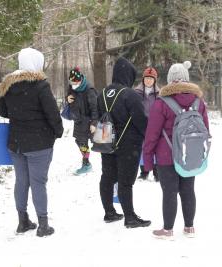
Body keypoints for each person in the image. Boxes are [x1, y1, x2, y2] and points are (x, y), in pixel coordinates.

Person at [0, 47, 63, 237]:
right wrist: (58, 131)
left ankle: (22, 221)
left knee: (21, 181)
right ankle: (43, 225)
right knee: (38, 183)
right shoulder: (41, 85)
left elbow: (4, 112)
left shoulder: (7, 85)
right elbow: (52, 113)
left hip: (16, 143)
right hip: (39, 143)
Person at [143, 61, 209, 239]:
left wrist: (147, 160)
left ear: (170, 79)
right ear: (186, 79)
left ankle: (168, 229)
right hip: (189, 153)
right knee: (188, 190)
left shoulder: (161, 102)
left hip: (167, 155)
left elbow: (152, 134)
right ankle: (189, 227)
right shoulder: (198, 101)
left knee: (170, 191)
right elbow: (205, 130)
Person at [97, 57, 151, 228]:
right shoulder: (130, 94)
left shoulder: (103, 93)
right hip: (128, 144)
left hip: (106, 140)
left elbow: (98, 117)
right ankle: (130, 217)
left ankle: (109, 212)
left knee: (107, 177)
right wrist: (148, 137)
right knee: (126, 181)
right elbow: (141, 120)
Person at [66, 67, 98, 175]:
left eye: (75, 82)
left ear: (80, 80)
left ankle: (89, 163)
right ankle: (86, 163)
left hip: (88, 121)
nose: (73, 84)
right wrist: (68, 98)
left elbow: (95, 108)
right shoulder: (72, 87)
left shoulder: (89, 90)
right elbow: (69, 95)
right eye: (71, 82)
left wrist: (94, 123)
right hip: (78, 121)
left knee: (99, 144)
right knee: (80, 142)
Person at [134, 67, 160, 182]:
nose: (148, 81)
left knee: (155, 148)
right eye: (146, 78)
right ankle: (144, 171)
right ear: (143, 79)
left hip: (155, 125)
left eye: (151, 78)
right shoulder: (136, 92)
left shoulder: (159, 94)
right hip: (141, 124)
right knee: (142, 148)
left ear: (154, 80)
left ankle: (156, 172)